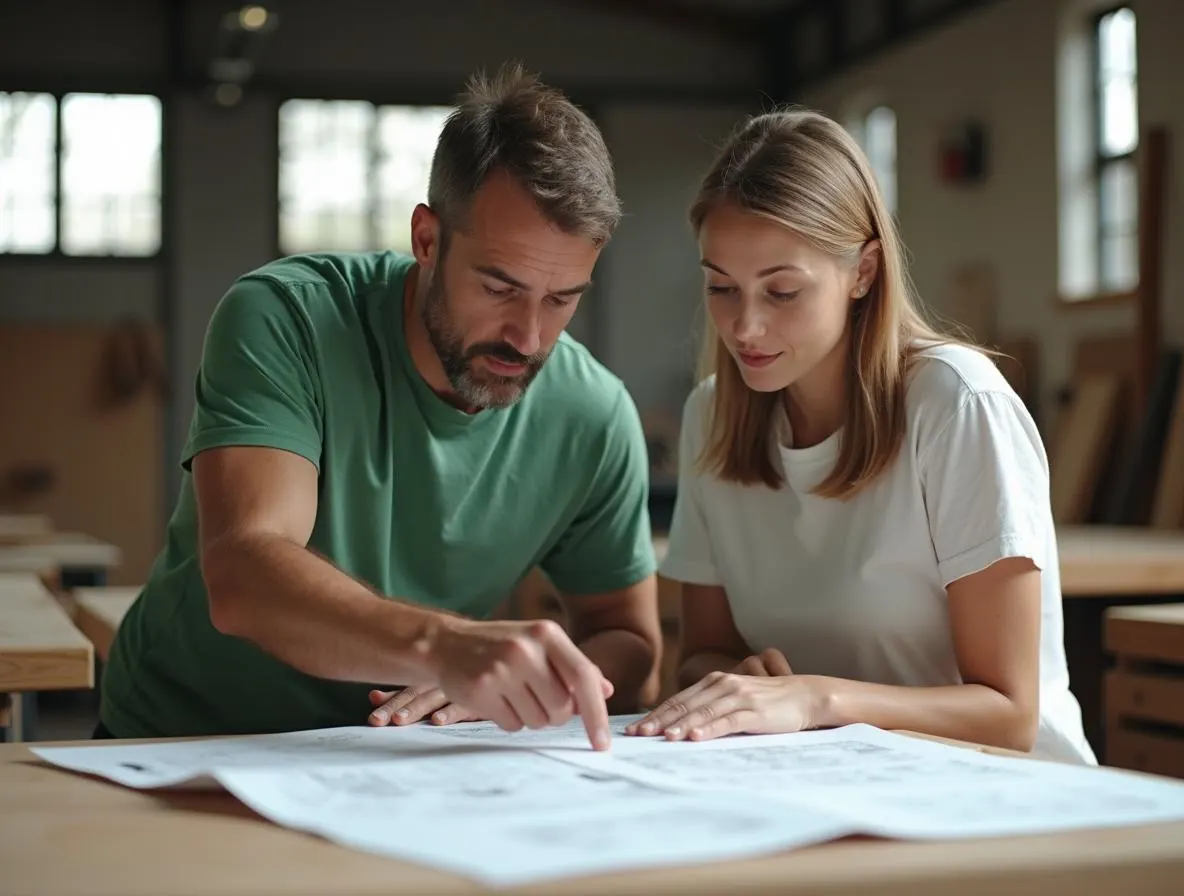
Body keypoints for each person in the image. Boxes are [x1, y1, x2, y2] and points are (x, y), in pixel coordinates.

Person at [97, 64, 661, 751]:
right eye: (499, 286)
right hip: (182, 743)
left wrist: (519, 683)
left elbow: (630, 646)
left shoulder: (594, 414)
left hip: (396, 764)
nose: (530, 336)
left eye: (563, 298)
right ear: (426, 240)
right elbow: (245, 570)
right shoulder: (287, 318)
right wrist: (445, 645)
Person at [625, 108, 1096, 765]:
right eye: (720, 287)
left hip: (1002, 798)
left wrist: (817, 701)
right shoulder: (714, 414)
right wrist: (735, 685)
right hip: (829, 779)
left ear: (864, 272)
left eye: (782, 291)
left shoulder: (956, 404)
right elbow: (701, 654)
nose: (745, 327)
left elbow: (1011, 715)